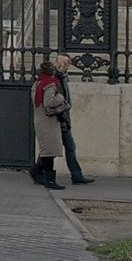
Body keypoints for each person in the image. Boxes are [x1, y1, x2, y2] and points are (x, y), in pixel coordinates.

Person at [50, 53, 91, 184]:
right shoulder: (54, 78)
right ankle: (38, 170)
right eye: (60, 62)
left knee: (69, 147)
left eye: (65, 63)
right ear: (56, 62)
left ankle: (76, 175)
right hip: (57, 117)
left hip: (64, 118)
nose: (62, 65)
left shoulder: (63, 77)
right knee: (54, 147)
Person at [30, 54, 70, 189]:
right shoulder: (50, 85)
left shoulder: (38, 83)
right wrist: (60, 98)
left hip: (40, 119)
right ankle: (48, 179)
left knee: (47, 150)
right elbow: (49, 103)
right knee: (49, 152)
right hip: (48, 121)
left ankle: (38, 173)